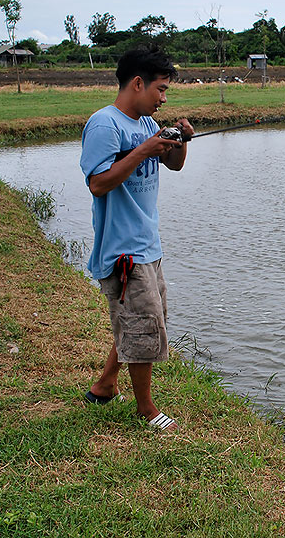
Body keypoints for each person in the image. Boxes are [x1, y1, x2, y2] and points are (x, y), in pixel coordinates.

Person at [79, 46, 194, 432]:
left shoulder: (146, 124)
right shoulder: (104, 125)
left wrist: (180, 143)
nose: (163, 98)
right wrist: (143, 150)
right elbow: (98, 184)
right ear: (137, 83)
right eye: (160, 90)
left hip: (148, 244)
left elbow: (173, 165)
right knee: (143, 328)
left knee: (143, 320)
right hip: (123, 250)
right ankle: (146, 411)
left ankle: (106, 384)